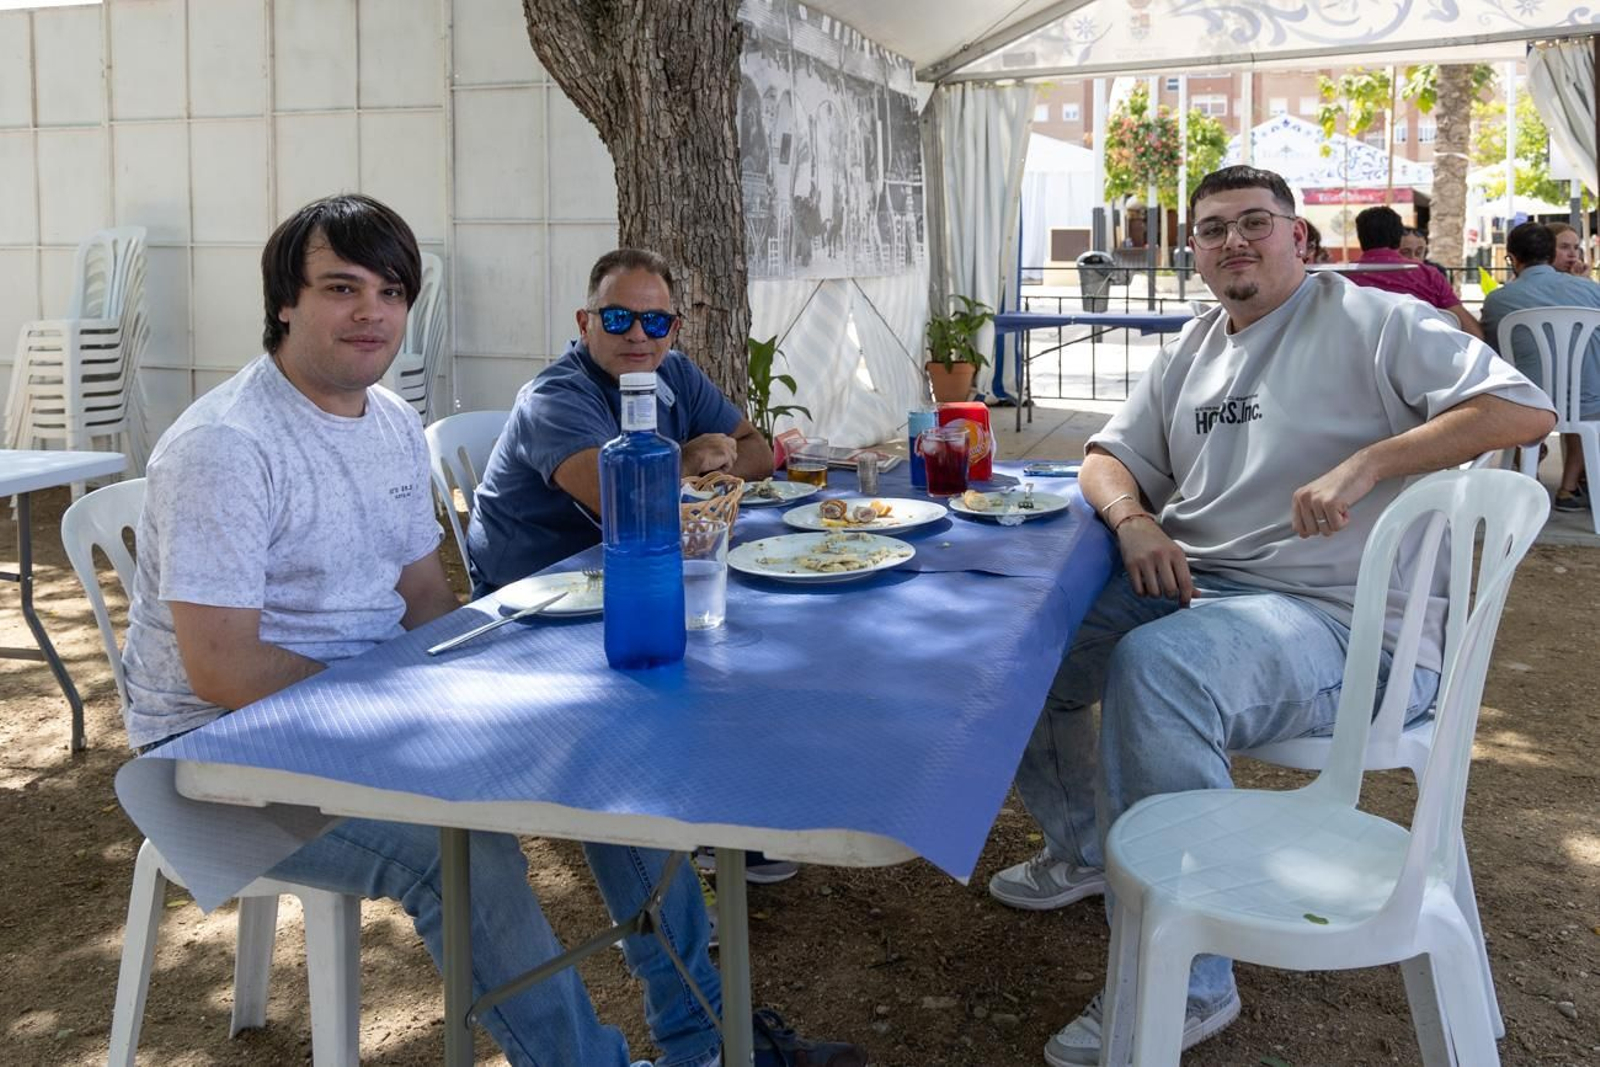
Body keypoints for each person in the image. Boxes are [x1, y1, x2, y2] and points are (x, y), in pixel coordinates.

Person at [121, 195, 861, 1067]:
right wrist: (404, 699)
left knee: (613, 744)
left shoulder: (389, 420)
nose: (372, 312)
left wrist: (478, 683)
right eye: (340, 288)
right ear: (285, 301)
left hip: (376, 701)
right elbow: (222, 668)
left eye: (392, 292)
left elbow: (426, 593)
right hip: (224, 750)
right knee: (461, 850)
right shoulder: (227, 446)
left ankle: (705, 1038)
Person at [987, 166, 1554, 1066]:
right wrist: (1133, 518)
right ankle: (1091, 852)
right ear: (1196, 253)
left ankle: (1193, 981)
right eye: (1212, 230)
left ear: (1302, 239)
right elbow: (1105, 457)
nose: (1233, 242)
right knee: (1020, 649)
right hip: (1203, 587)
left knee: (1162, 667)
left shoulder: (1374, 320)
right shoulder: (1192, 347)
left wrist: (1368, 463)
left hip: (1343, 624)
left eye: (1256, 223)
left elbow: (1525, 408)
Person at [466, 248, 795, 886]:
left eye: (655, 321)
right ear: (585, 322)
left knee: (745, 616)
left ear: (674, 328)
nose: (638, 335)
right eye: (618, 319)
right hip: (537, 603)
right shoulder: (556, 396)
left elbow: (758, 450)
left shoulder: (674, 373)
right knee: (703, 632)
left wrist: (708, 462)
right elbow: (619, 499)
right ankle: (683, 821)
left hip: (626, 572)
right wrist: (690, 458)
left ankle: (719, 802)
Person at [1481, 220, 1600, 512]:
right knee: (1584, 393)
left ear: (1513, 258)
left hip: (1527, 406)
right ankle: (1568, 489)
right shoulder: (1591, 291)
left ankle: (1527, 472)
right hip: (1588, 404)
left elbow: (1493, 354)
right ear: (1551, 254)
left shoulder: (1498, 300)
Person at [1345, 205, 1485, 340]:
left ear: (1361, 238)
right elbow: (1474, 333)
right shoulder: (1428, 275)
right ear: (1399, 237)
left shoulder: (1342, 277)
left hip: (1357, 359)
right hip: (1420, 360)